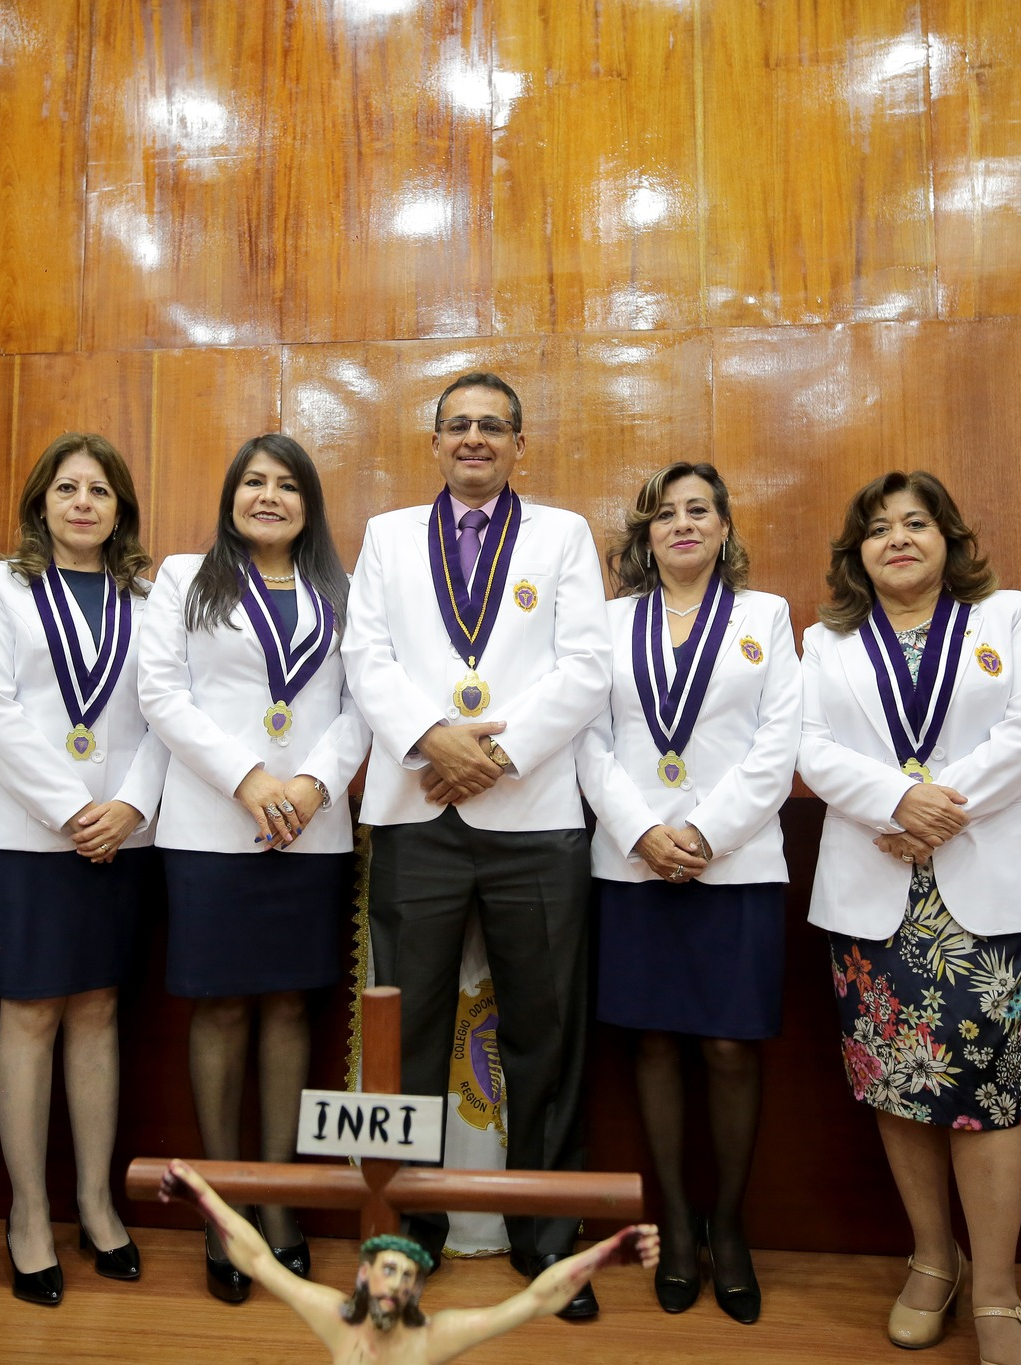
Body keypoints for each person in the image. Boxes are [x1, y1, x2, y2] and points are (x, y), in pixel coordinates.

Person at [341, 372, 612, 1316]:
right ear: (434, 441)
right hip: (417, 812)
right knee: (402, 1036)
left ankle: (547, 1242)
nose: (473, 438)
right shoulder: (386, 536)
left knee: (547, 1035)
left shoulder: (562, 535)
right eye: (457, 424)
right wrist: (433, 738)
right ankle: (402, 1238)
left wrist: (494, 755)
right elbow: (365, 656)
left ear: (519, 444)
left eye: (492, 426)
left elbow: (587, 665)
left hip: (532, 815)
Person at [797, 470, 1021, 1365]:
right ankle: (932, 1258)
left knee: (987, 1091)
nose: (899, 538)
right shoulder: (826, 641)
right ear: (858, 553)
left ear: (949, 538)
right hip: (875, 891)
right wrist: (896, 801)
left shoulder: (1006, 616)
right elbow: (810, 747)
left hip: (984, 887)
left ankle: (996, 1289)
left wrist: (935, 808)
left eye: (916, 522)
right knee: (895, 1080)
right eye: (879, 527)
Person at [138, 434, 370, 1304]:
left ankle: (279, 1198)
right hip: (212, 824)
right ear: (231, 496)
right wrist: (248, 779)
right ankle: (225, 1206)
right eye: (253, 482)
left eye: (287, 485)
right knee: (223, 1004)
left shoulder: (343, 592)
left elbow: (361, 704)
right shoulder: (182, 578)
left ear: (310, 505)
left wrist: (310, 784)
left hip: (310, 825)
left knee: (289, 1005)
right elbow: (161, 694)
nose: (268, 496)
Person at [574, 462, 799, 1323]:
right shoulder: (607, 621)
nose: (682, 524)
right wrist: (643, 831)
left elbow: (778, 741)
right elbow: (590, 740)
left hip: (734, 862)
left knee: (731, 1047)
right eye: (665, 513)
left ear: (724, 526)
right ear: (646, 533)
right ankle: (674, 1219)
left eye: (698, 509)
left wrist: (706, 832)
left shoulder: (764, 616)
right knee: (655, 1044)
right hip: (633, 861)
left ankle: (729, 1224)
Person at [0, 432, 169, 1306]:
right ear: (40, 503)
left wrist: (128, 806)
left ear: (121, 509)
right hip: (26, 832)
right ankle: (28, 1214)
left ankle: (94, 1202)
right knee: (32, 1011)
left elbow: (169, 712)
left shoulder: (151, 598)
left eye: (100, 490)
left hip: (124, 832)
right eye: (66, 488)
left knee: (97, 1008)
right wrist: (71, 808)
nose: (83, 503)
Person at [153, 1158, 659, 1364]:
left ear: (417, 1291)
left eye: (407, 1277)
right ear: (364, 1275)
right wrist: (203, 1197)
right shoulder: (336, 1320)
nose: (396, 1284)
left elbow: (535, 1300)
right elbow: (258, 1259)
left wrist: (605, 1254)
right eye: (389, 1270)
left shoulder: (434, 1339)